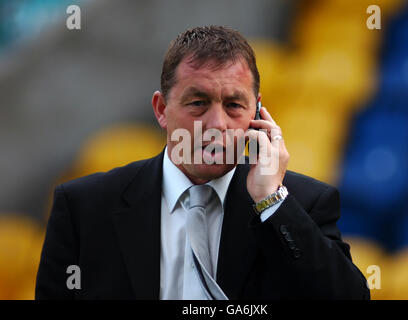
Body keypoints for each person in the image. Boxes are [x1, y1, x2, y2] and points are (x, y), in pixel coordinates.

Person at [35, 25, 370, 300]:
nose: (217, 124)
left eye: (234, 105)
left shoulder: (301, 205)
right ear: (162, 109)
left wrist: (270, 201)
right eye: (198, 102)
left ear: (257, 114)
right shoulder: (83, 208)